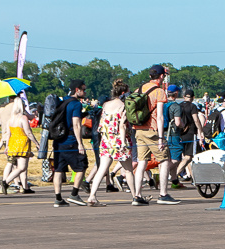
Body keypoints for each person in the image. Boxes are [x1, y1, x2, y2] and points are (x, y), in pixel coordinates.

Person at [87, 78, 144, 206]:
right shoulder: (124, 106)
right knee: (128, 170)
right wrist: (124, 142)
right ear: (124, 92)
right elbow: (122, 126)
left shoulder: (106, 105)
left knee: (102, 168)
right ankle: (135, 196)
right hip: (119, 140)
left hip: (106, 140)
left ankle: (92, 196)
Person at [130, 65, 180, 206]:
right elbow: (159, 117)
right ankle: (163, 194)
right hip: (152, 130)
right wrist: (160, 137)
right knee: (164, 160)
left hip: (138, 129)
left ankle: (137, 196)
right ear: (161, 76)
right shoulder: (159, 92)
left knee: (142, 162)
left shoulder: (139, 89)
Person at [50, 80, 90, 207]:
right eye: (83, 89)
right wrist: (80, 143)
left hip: (58, 141)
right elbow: (76, 124)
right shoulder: (76, 104)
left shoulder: (62, 102)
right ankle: (74, 193)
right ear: (77, 90)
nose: (85, 92)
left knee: (58, 169)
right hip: (71, 140)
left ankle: (58, 198)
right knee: (82, 166)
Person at [0, 92, 36, 194]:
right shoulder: (22, 116)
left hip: (10, 140)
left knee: (12, 164)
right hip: (22, 142)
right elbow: (28, 131)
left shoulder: (2, 109)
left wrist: (6, 146)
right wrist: (37, 143)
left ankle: (19, 185)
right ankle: (10, 183)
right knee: (21, 167)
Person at [163, 83, 200, 189]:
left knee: (169, 157)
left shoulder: (164, 104)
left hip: (165, 134)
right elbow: (178, 122)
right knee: (176, 159)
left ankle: (175, 181)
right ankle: (162, 175)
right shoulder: (176, 106)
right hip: (174, 134)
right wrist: (183, 126)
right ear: (176, 93)